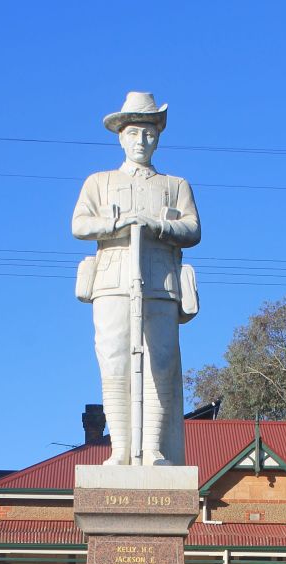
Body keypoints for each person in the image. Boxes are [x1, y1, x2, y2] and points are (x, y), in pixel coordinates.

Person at [72, 91, 200, 466]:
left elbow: (193, 229)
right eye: (133, 133)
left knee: (159, 363)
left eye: (148, 133)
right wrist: (116, 224)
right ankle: (121, 450)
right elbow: (78, 224)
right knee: (114, 362)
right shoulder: (99, 181)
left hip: (160, 284)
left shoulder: (176, 185)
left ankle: (154, 450)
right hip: (112, 281)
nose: (141, 141)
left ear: (158, 136)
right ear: (120, 136)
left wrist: (158, 225)